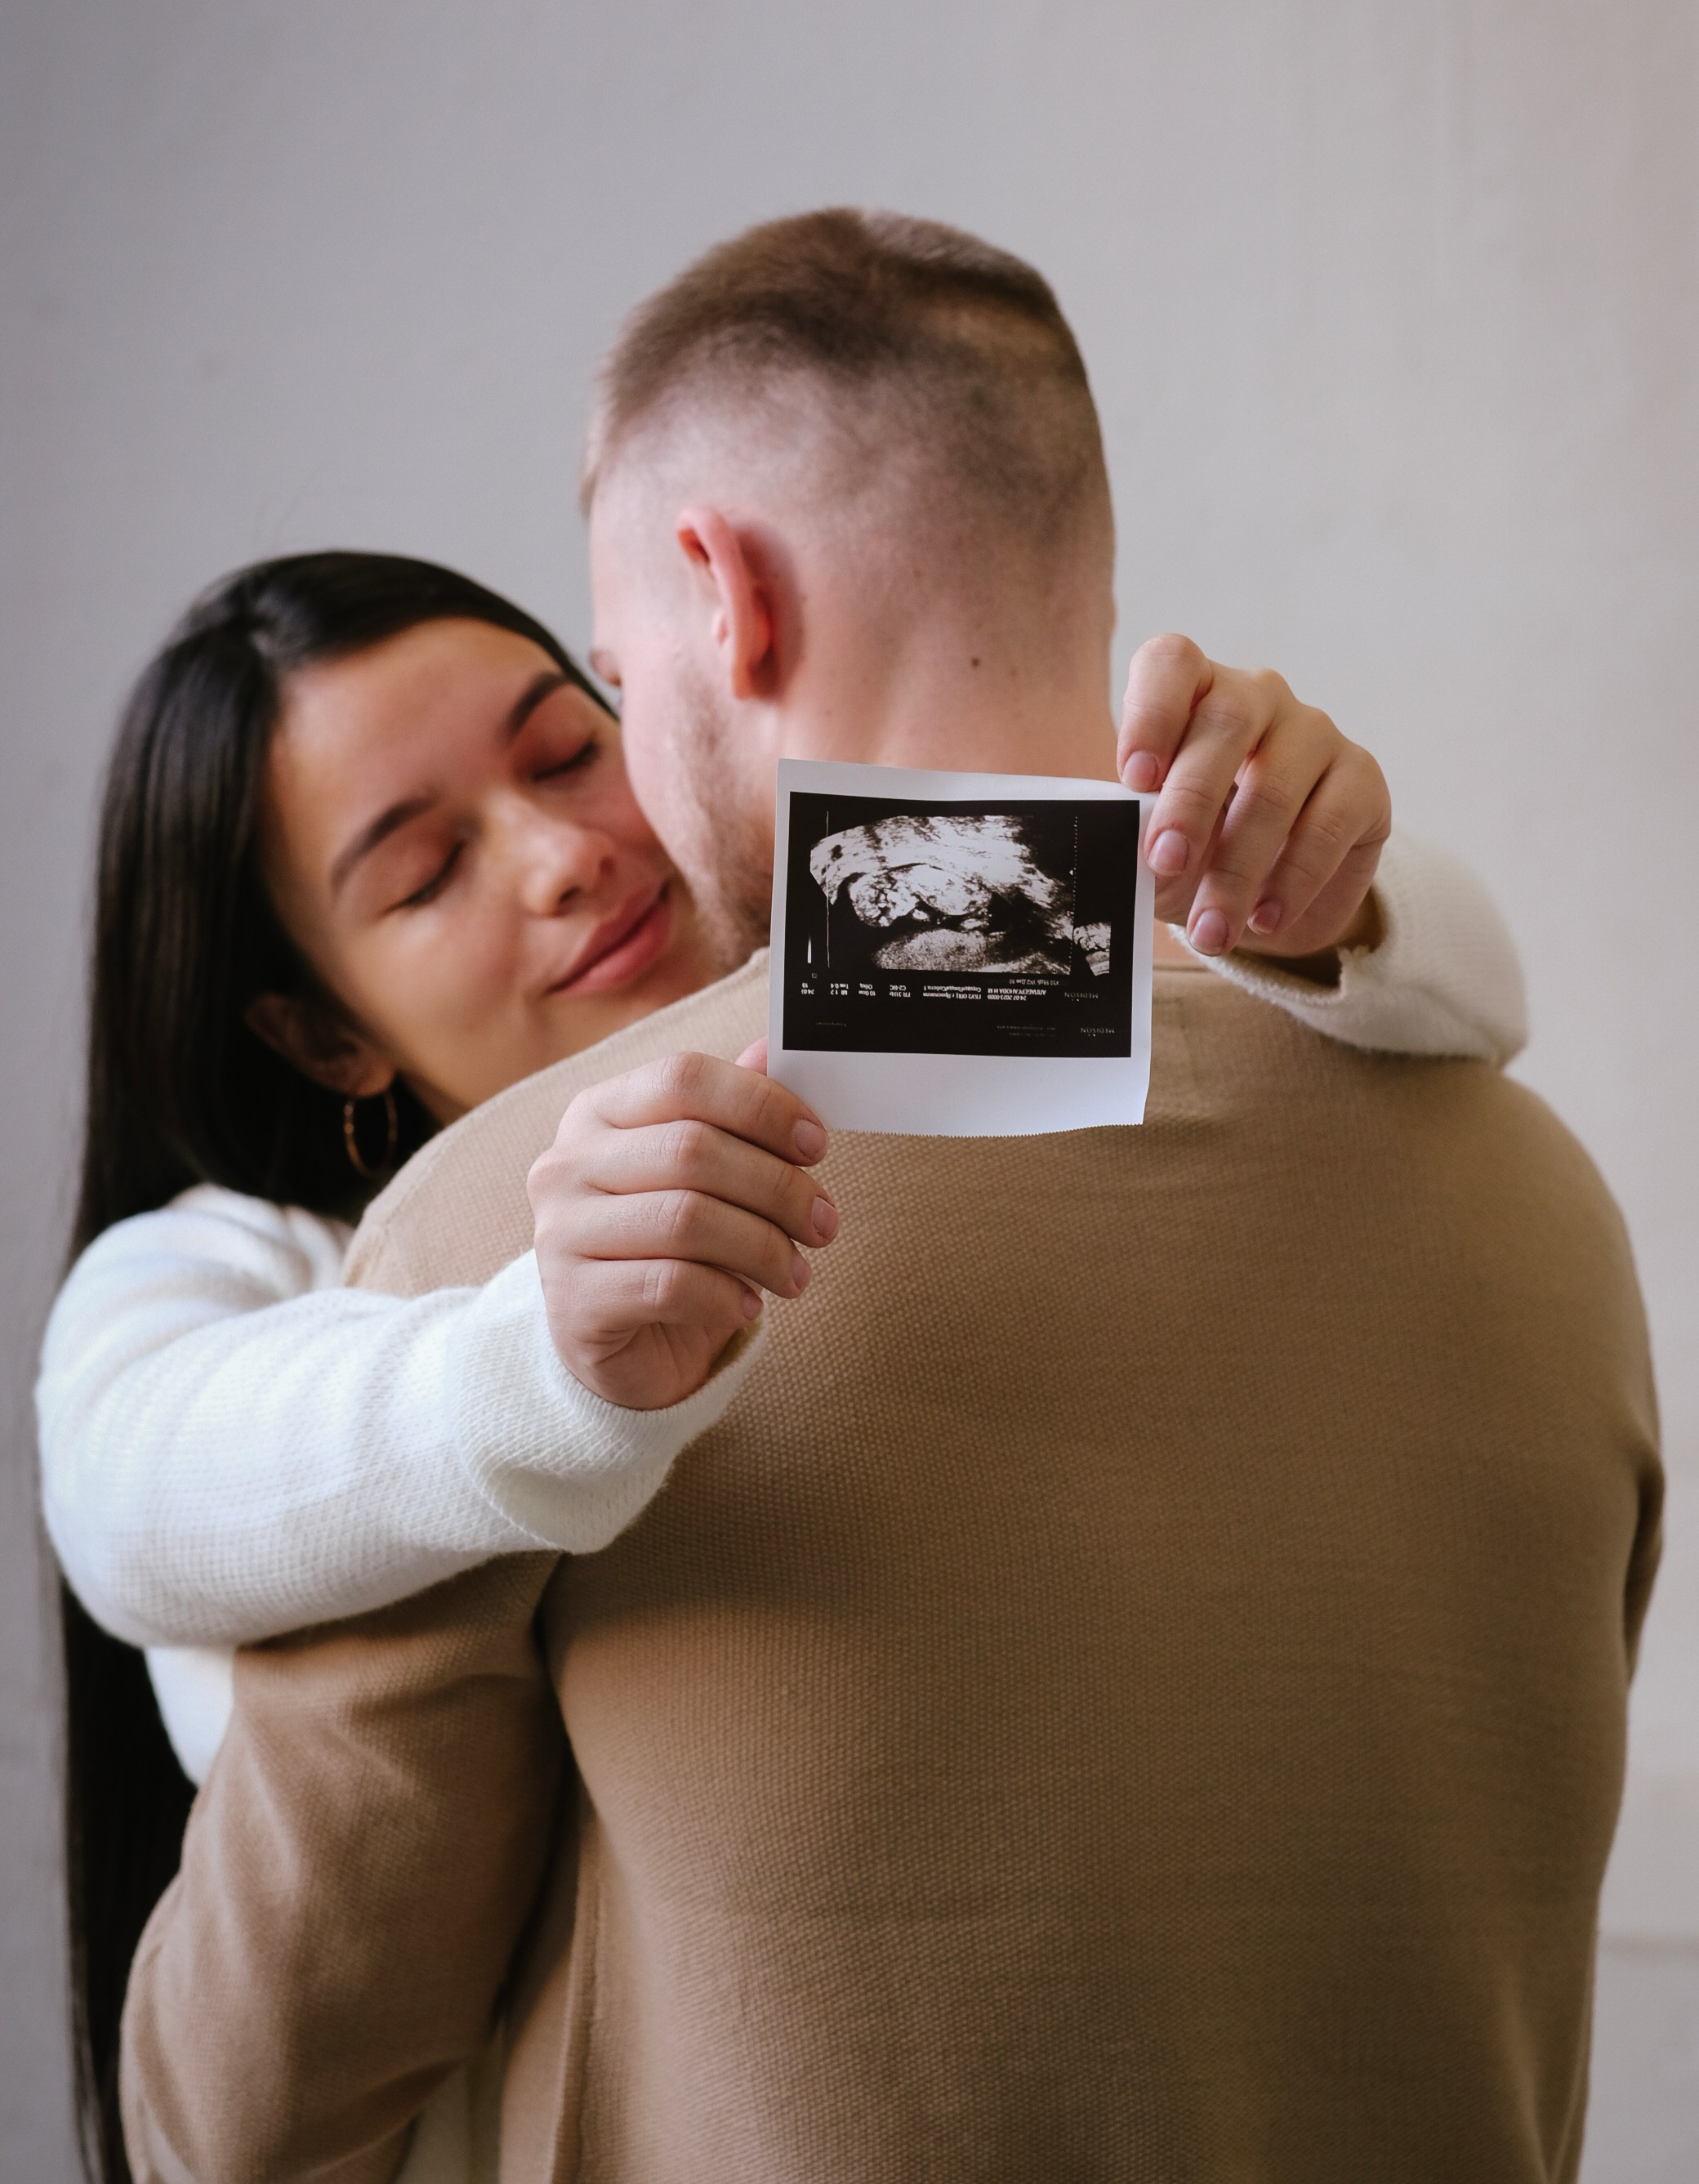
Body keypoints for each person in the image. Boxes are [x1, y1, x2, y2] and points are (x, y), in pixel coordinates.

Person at [118, 213, 1648, 2184]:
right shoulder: (1544, 1208)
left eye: (596, 699)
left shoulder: (525, 1245)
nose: (601, 847)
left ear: (716, 597)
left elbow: (238, 2110)